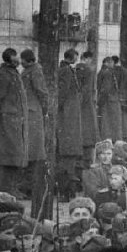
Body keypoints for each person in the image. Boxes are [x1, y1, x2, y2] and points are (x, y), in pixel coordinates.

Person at [0, 48, 29, 198]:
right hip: (7, 121)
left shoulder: (12, 73)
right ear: (11, 58)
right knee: (7, 157)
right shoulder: (3, 75)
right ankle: (6, 191)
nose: (19, 59)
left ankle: (12, 188)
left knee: (15, 156)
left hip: (15, 121)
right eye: (16, 56)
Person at [19, 48, 49, 213]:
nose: (21, 63)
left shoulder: (35, 72)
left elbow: (42, 92)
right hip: (29, 113)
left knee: (34, 153)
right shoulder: (29, 70)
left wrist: (43, 111)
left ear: (27, 60)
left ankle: (29, 189)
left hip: (33, 114)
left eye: (22, 60)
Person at [57, 48, 83, 199]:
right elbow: (63, 92)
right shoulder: (66, 71)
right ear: (72, 57)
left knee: (69, 159)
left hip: (70, 118)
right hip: (68, 119)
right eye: (76, 57)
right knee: (68, 159)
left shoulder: (67, 70)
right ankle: (66, 192)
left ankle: (68, 191)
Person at [76, 50, 100, 165]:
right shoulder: (89, 70)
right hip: (87, 105)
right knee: (88, 132)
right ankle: (87, 160)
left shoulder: (75, 69)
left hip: (76, 104)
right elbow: (87, 90)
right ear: (87, 58)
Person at [97, 56, 122, 141]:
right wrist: (100, 102)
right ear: (107, 63)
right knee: (110, 126)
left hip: (108, 101)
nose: (113, 64)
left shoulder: (102, 72)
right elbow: (105, 89)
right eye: (111, 62)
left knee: (107, 125)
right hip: (110, 103)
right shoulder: (107, 73)